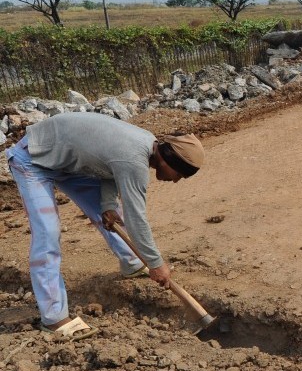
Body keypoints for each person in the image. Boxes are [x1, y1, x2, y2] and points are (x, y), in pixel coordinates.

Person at [5, 112, 205, 341]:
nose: (176, 180)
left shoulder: (145, 145)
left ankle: (132, 263)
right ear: (168, 159)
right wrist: (156, 263)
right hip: (32, 158)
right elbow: (137, 217)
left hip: (67, 162)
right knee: (47, 234)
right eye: (178, 173)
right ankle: (54, 318)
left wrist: (108, 204)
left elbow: (109, 168)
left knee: (114, 214)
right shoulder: (135, 159)